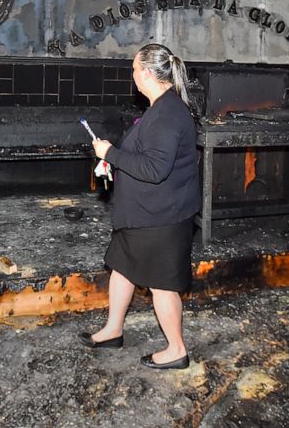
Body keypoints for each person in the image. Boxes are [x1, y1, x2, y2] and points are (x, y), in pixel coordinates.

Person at [80, 43, 200, 370]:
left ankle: (177, 349)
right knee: (122, 268)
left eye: (134, 69)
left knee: (161, 286)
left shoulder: (167, 114)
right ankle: (113, 330)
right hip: (141, 215)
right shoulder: (160, 108)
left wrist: (110, 154)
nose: (132, 75)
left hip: (160, 219)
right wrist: (114, 164)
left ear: (146, 74)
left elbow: (154, 169)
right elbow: (146, 157)